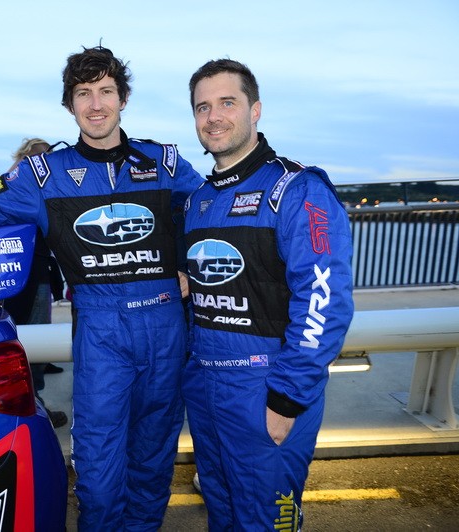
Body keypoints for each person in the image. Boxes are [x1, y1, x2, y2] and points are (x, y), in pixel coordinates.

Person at [0, 45, 204, 530]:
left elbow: (209, 212)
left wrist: (188, 264)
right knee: (96, 469)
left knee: (153, 463)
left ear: (123, 99)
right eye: (84, 94)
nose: (96, 104)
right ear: (69, 105)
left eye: (106, 92)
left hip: (166, 328)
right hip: (101, 332)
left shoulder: (165, 163)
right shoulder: (42, 175)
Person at [181, 58, 354, 530]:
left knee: (268, 521)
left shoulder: (297, 190)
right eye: (202, 107)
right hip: (207, 386)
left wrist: (286, 400)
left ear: (255, 110)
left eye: (227, 103)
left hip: (265, 390)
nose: (213, 116)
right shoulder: (200, 199)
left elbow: (325, 302)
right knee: (223, 509)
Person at [2, 138, 67, 429]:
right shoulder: (24, 184)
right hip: (25, 274)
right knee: (31, 337)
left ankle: (30, 396)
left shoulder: (11, 186)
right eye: (41, 157)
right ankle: (34, 404)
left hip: (23, 273)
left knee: (26, 334)